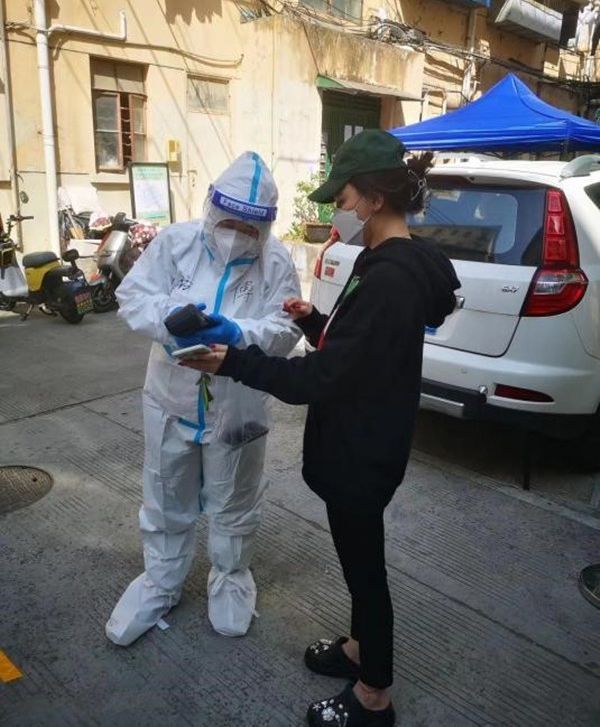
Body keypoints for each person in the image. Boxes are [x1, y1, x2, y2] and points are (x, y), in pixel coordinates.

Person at [180, 130, 460, 727]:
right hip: (365, 437)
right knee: (358, 564)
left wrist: (234, 361)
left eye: (345, 197)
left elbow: (322, 379)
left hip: (363, 449)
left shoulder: (390, 278)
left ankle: (373, 696)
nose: (340, 210)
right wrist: (317, 322)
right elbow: (361, 349)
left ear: (375, 199)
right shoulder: (383, 261)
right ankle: (359, 650)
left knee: (366, 572)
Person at [105, 152, 302, 646]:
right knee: (164, 495)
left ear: (265, 228)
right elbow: (132, 296)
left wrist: (237, 333)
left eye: (249, 228)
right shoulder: (175, 243)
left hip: (239, 406)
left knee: (234, 500)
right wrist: (173, 322)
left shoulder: (276, 261)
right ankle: (160, 583)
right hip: (169, 398)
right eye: (228, 222)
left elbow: (286, 329)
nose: (236, 235)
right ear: (212, 211)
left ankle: (231, 578)